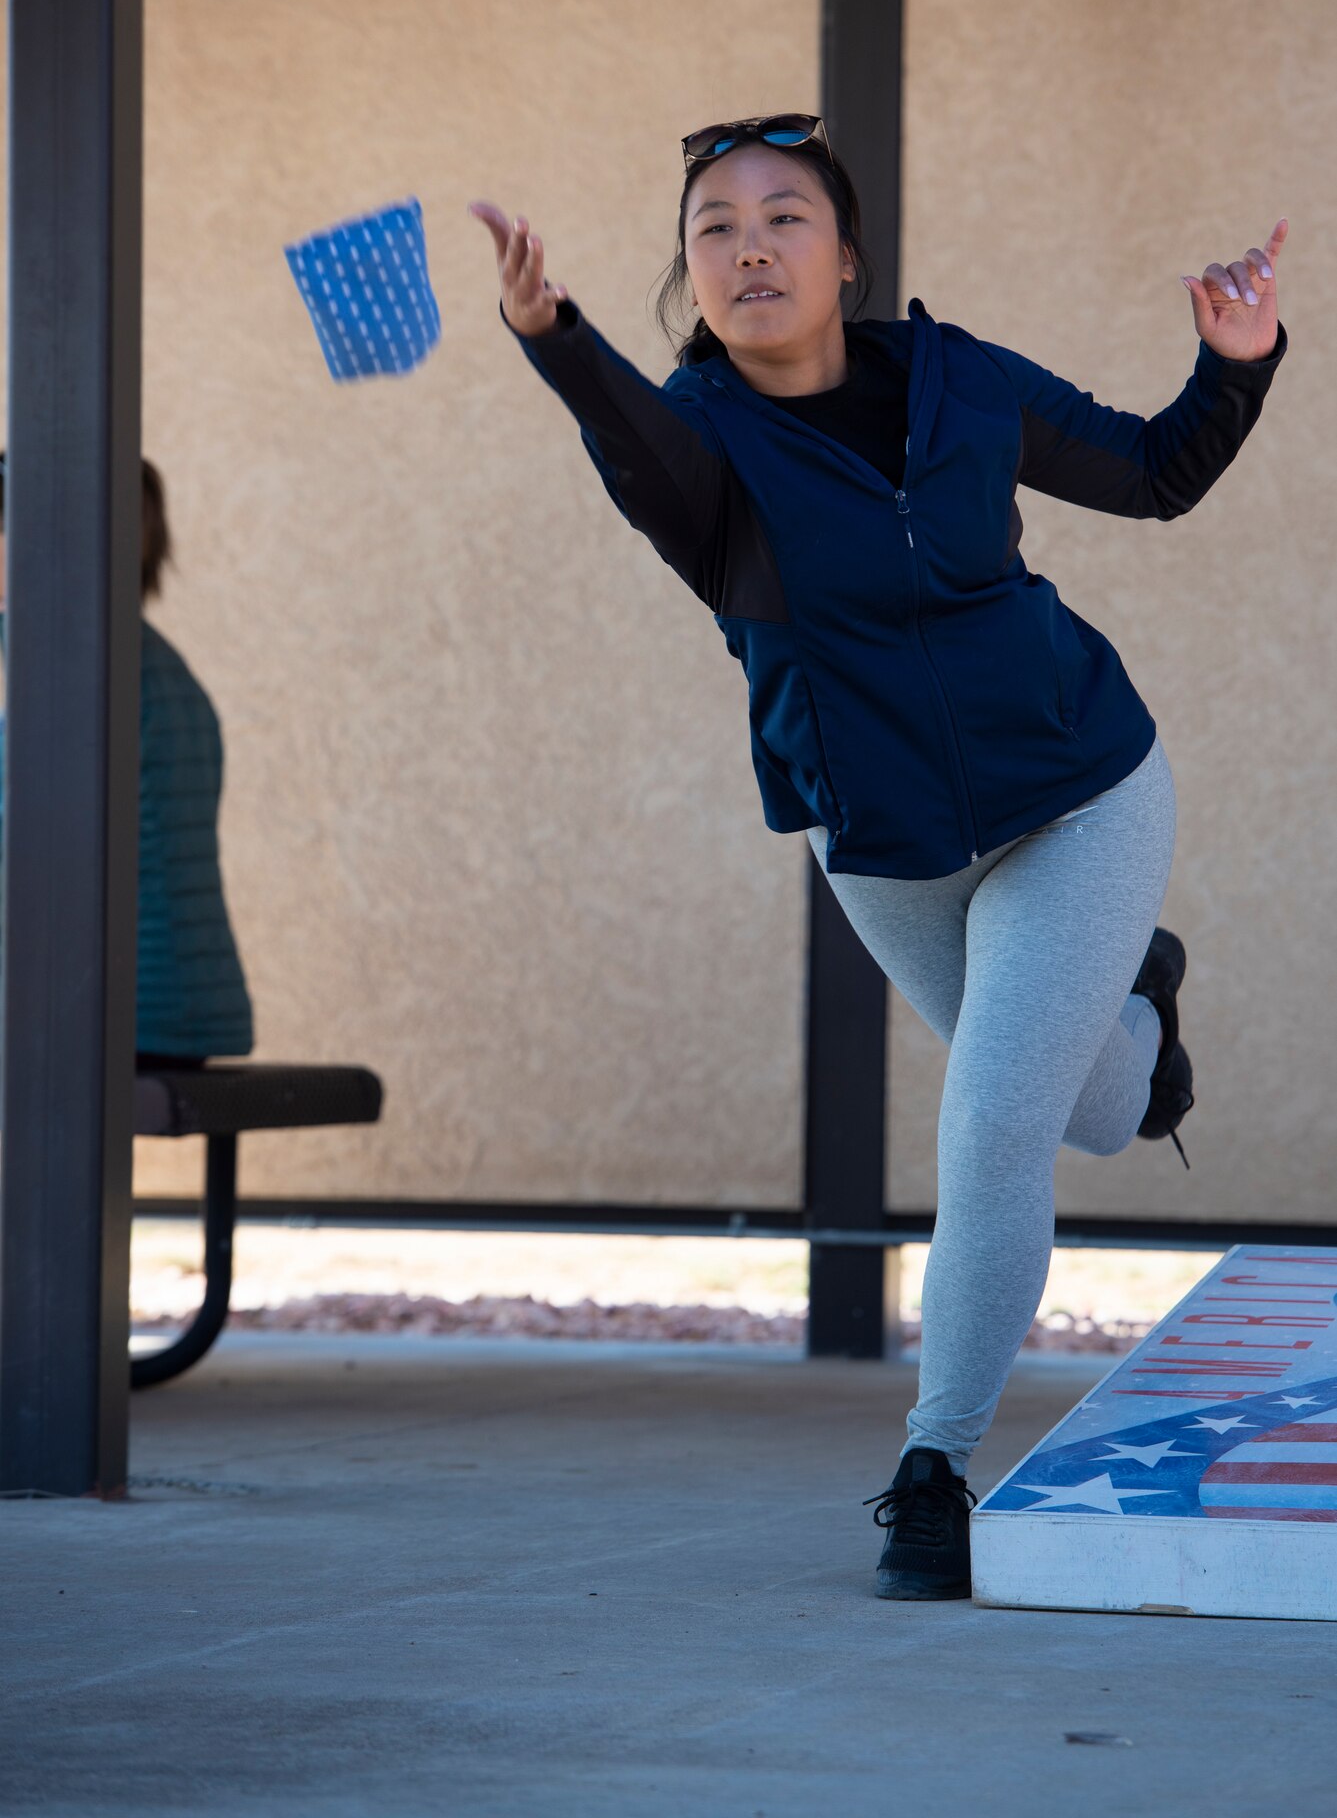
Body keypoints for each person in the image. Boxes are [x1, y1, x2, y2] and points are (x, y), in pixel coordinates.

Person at [468, 115, 1287, 1601]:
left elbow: (1157, 472)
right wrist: (552, 335)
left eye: (785, 217)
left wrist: (1233, 363)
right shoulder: (697, 452)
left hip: (1083, 786)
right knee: (1096, 1111)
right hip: (889, 845)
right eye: (714, 227)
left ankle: (933, 1469)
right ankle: (1141, 1009)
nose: (749, 246)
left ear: (847, 259)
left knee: (988, 1126)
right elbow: (627, 433)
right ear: (692, 273)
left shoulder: (960, 381)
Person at [0, 453, 254, 1072]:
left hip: (120, 1013)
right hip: (189, 1005)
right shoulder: (162, 666)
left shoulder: (50, 659)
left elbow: (25, 844)